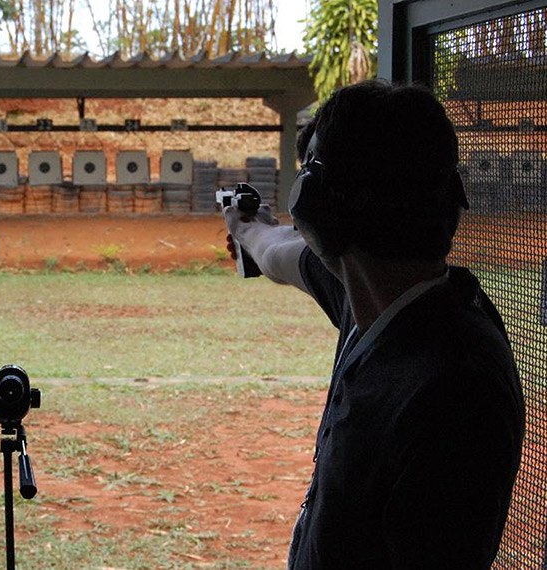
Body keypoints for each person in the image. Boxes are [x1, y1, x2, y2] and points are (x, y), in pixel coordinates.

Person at [224, 80, 525, 568]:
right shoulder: (377, 294)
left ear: (317, 207)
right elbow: (278, 251)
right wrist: (246, 228)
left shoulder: (454, 391)